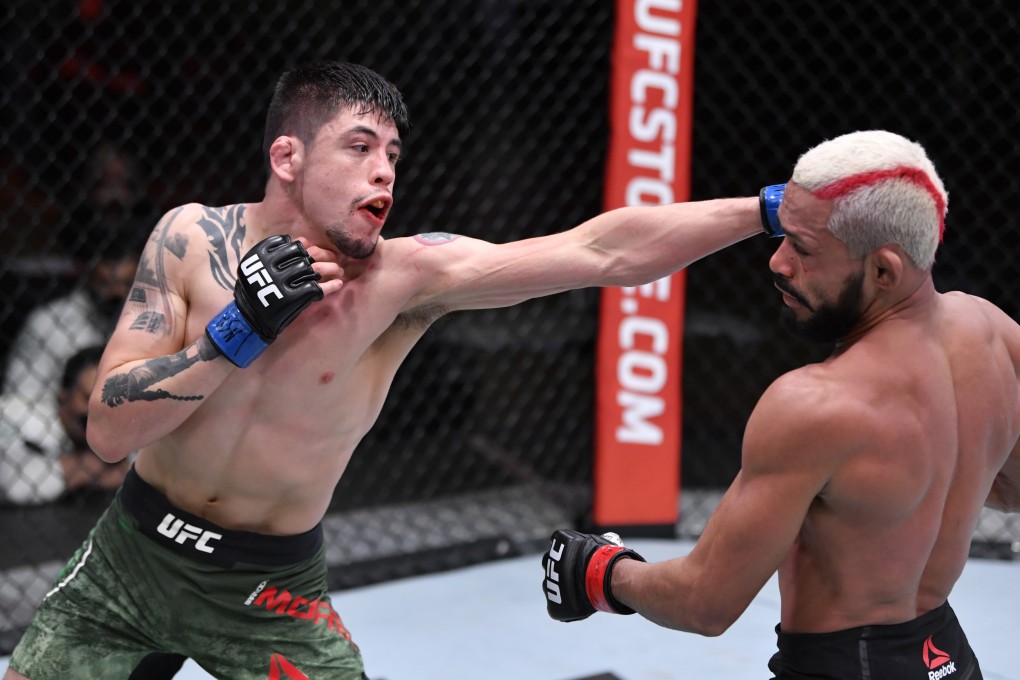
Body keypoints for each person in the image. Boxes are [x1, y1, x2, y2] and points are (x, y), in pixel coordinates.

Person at [5, 60, 782, 680]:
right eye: (359, 147)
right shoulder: (190, 241)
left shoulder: (404, 280)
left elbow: (600, 251)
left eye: (393, 155)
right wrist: (237, 332)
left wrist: (765, 210)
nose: (385, 173)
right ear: (287, 156)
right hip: (129, 556)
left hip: (267, 590)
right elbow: (108, 431)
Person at [541, 130, 1020, 680]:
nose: (778, 262)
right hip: (949, 660)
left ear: (884, 271)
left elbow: (704, 602)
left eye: (804, 248)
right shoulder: (995, 335)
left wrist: (601, 572)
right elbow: (1013, 488)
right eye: (783, 235)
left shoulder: (815, 405)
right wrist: (926, 495)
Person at [1, 229, 142, 409]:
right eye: (107, 283)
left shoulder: (149, 321)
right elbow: (20, 398)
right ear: (88, 275)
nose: (118, 293)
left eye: (128, 284)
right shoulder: (49, 322)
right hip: (60, 426)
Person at [0, 345, 128, 504]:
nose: (100, 411)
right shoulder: (23, 419)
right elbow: (15, 485)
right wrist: (94, 467)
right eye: (88, 398)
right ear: (63, 397)